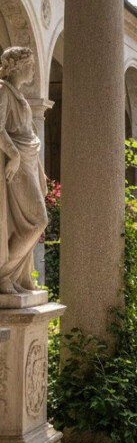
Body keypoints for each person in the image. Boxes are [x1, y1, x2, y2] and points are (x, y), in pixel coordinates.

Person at [0, 46, 48, 295]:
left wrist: (37, 167)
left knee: (23, 223)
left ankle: (21, 275)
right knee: (37, 220)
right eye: (29, 65)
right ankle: (3, 273)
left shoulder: (17, 94)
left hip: (29, 161)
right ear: (16, 66)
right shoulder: (3, 90)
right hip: (17, 164)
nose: (33, 70)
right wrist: (14, 154)